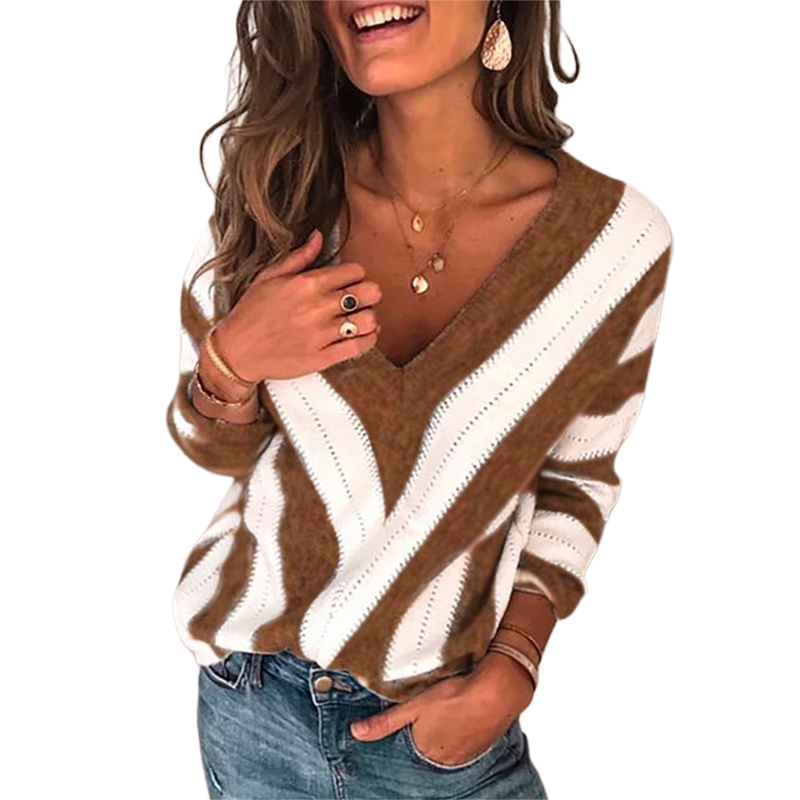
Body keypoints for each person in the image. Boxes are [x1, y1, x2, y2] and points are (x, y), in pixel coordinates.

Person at [166, 1, 673, 798]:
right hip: (255, 710)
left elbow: (576, 482)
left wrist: (514, 667)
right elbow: (213, 446)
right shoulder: (281, 194)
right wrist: (232, 361)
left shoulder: (613, 244)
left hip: (443, 738)